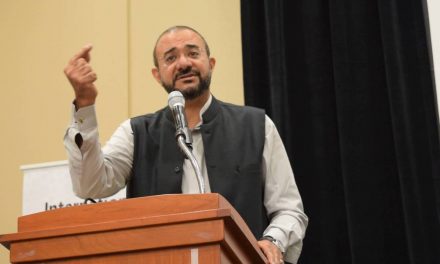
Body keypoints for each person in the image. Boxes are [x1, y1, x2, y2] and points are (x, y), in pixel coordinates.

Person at [63, 25, 308, 264]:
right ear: (157, 74)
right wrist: (85, 103)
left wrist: (272, 241)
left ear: (211, 64)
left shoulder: (256, 126)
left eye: (193, 53)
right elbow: (90, 185)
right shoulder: (136, 132)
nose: (183, 63)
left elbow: (289, 210)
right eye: (171, 58)